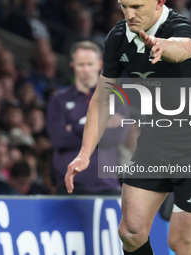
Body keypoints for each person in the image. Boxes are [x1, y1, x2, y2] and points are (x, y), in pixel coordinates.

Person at [65, 1, 191, 254]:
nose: (129, 14)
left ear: (159, 2)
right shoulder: (118, 36)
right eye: (124, 6)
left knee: (182, 245)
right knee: (130, 232)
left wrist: (163, 46)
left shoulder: (183, 29)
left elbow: (183, 48)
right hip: (155, 142)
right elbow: (102, 98)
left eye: (137, 6)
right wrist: (85, 152)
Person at [47, 40, 126, 195]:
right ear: (72, 66)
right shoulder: (59, 100)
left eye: (90, 64)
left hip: (107, 183)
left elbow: (117, 136)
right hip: (69, 184)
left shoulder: (115, 98)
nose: (86, 70)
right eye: (81, 65)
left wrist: (74, 127)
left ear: (99, 64)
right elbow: (59, 138)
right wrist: (101, 125)